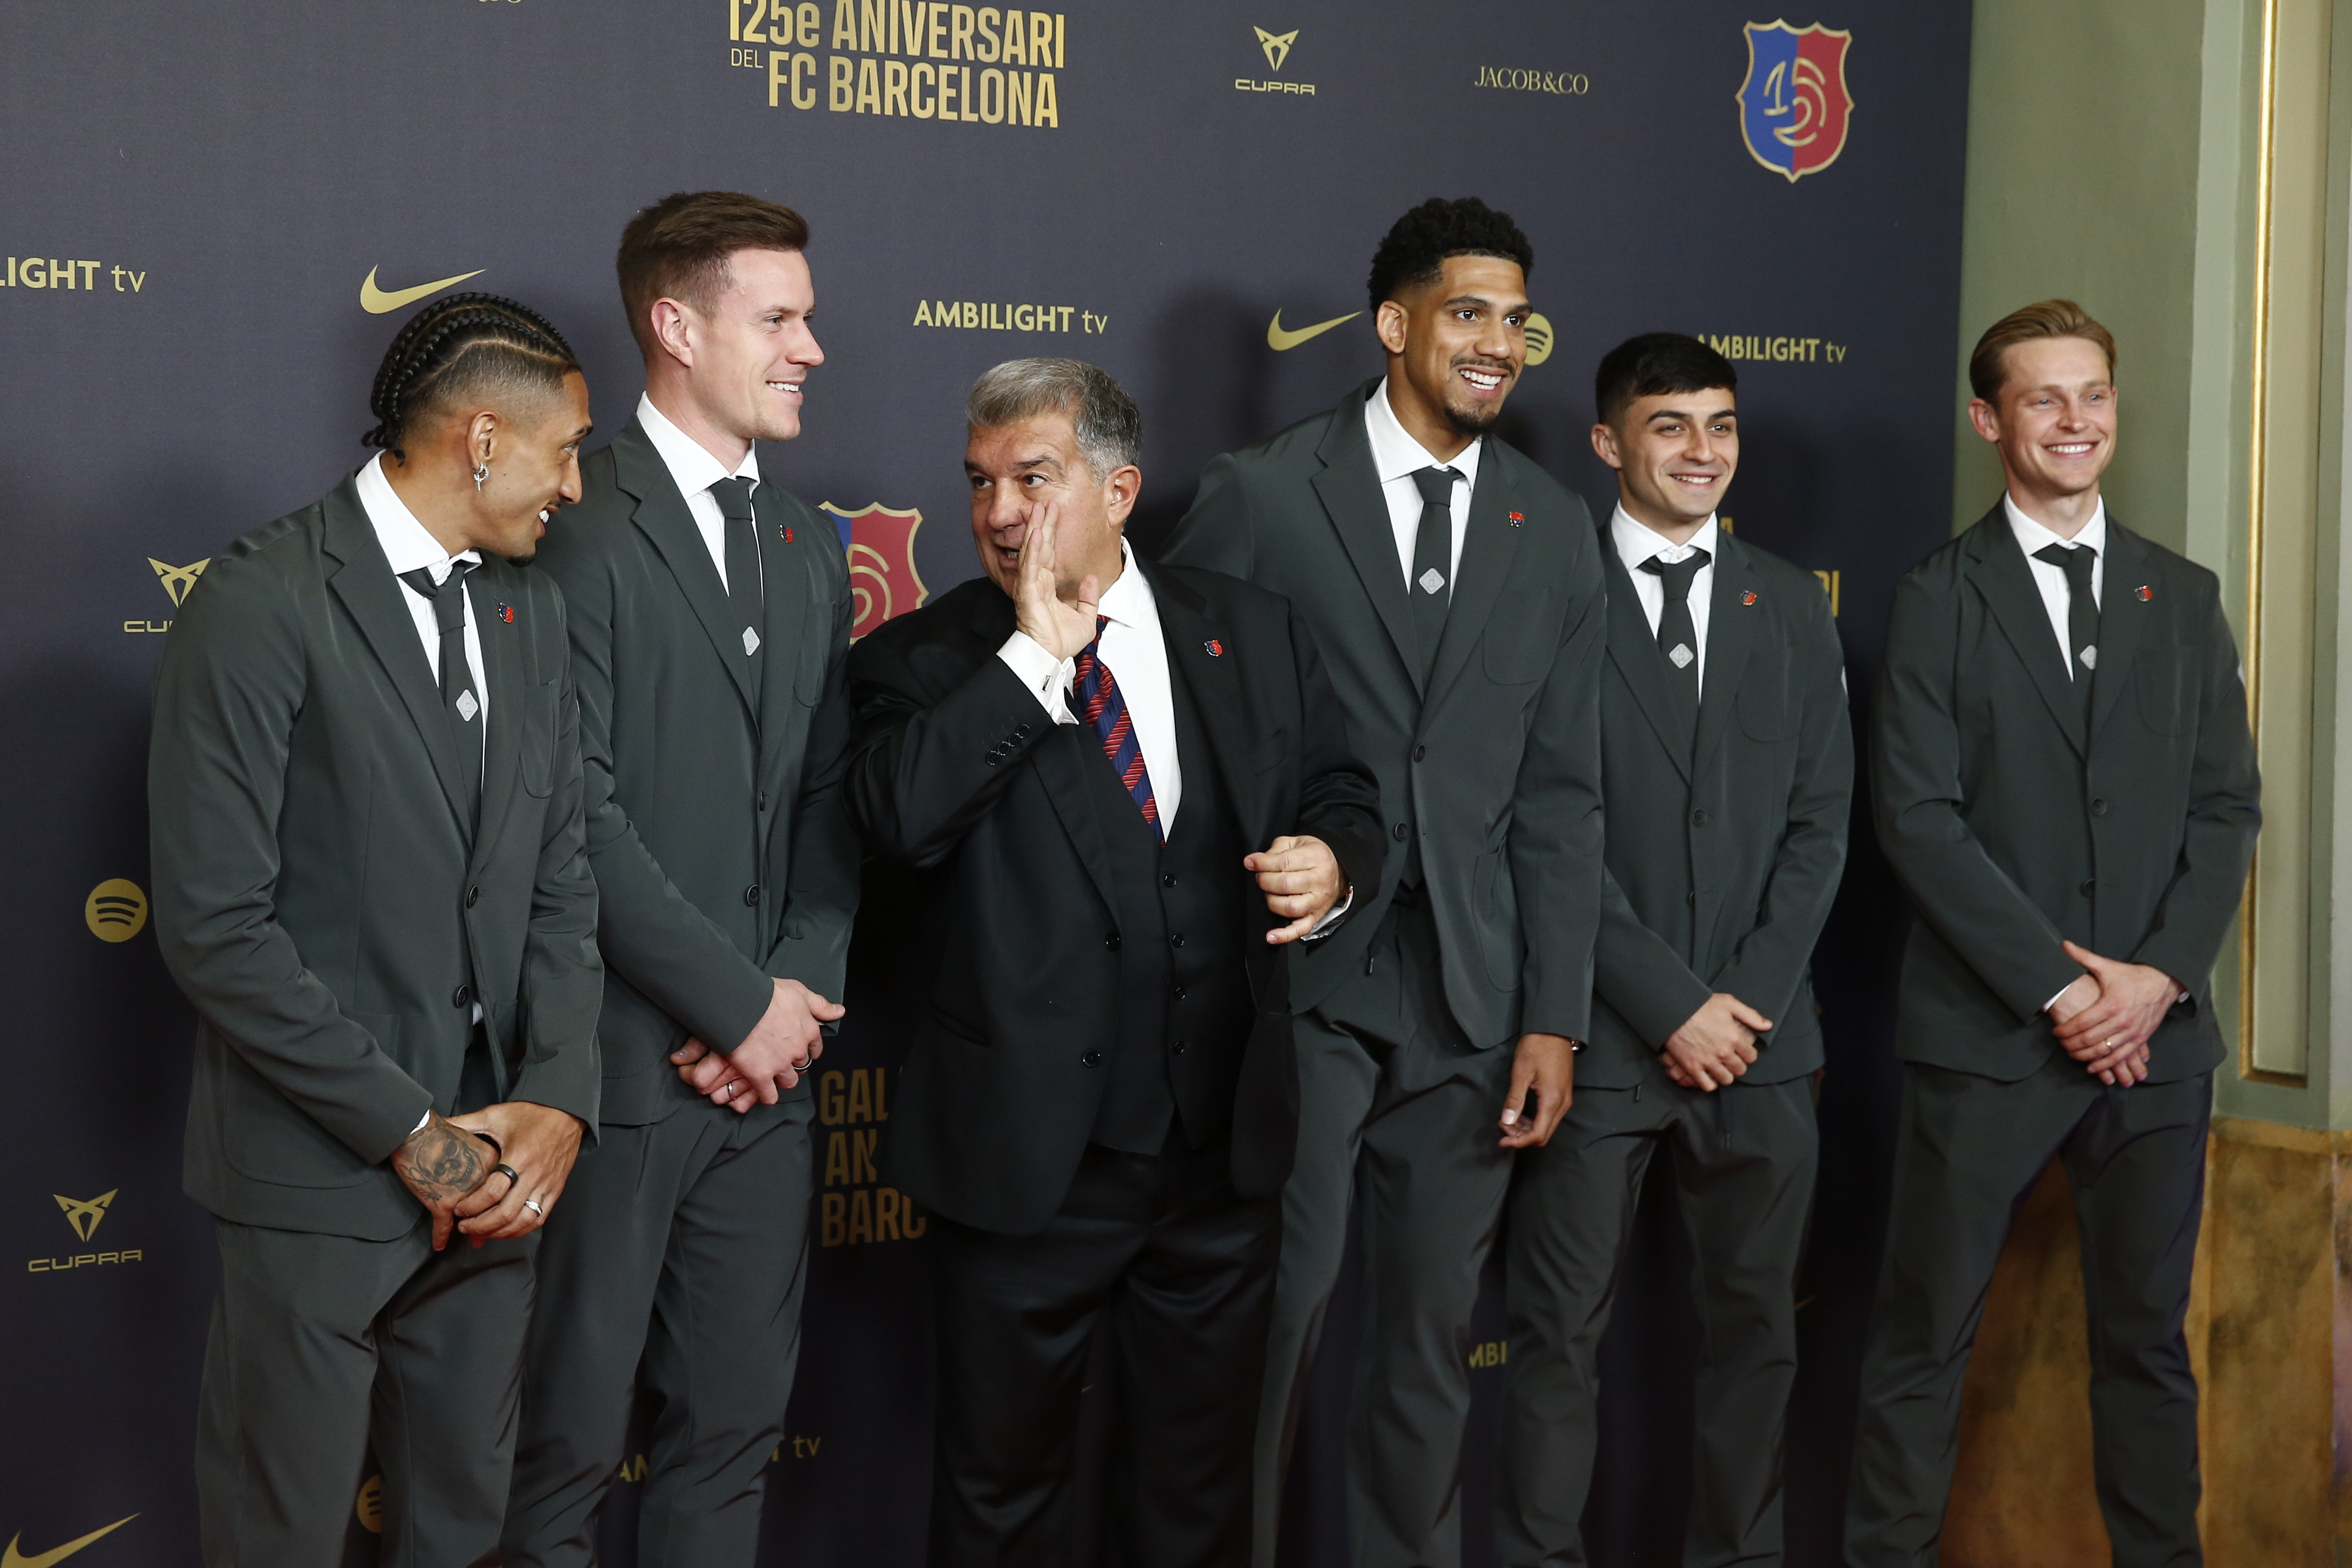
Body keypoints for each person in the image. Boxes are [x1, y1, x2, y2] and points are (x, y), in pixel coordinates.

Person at [843, 359, 1383, 1566]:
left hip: (1218, 1167)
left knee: (1194, 1505)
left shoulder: (1249, 631)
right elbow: (893, 822)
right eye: (979, 483)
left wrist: (1333, 865)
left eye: (1032, 479)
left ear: (1121, 488)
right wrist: (1032, 658)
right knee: (999, 1505)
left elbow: (1345, 790)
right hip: (1026, 1170)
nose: (996, 513)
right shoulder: (920, 664)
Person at [1161, 195, 1606, 1568]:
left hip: (1472, 1006)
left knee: (1424, 1357)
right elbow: (1173, 715)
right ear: (1397, 324)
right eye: (1465, 313)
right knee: (1267, 1329)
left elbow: (1561, 793)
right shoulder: (1263, 491)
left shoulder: (1550, 524)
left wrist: (1554, 1013)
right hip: (1298, 984)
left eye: (1514, 319)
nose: (1494, 343)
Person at [150, 292, 603, 1567]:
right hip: (318, 1183)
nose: (574, 484)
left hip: (499, 1186)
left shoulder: (534, 616)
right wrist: (413, 1138)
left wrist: (559, 1097)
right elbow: (216, 928)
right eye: (563, 450)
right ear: (478, 440)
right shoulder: (259, 602)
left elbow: (562, 883)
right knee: (279, 1539)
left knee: (462, 1536)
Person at [1846, 300, 2260, 1567]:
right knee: (1923, 1341)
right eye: (2044, 399)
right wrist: (2062, 993)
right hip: (1988, 1041)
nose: (2075, 423)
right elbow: (1916, 821)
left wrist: (2152, 983)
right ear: (1990, 420)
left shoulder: (2179, 597)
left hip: (2158, 1045)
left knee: (2145, 1348)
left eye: (2093, 397)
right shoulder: (1933, 596)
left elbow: (2224, 804)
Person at [500, 192, 862, 1567]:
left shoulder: (807, 543)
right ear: (674, 324)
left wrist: (799, 993)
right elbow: (568, 813)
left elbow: (834, 800)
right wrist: (729, 1000)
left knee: (731, 1440)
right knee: (565, 1450)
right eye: (779, 319)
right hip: (619, 1076)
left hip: (767, 1084)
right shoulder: (577, 522)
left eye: (806, 318)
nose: (811, 349)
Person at [1493, 333, 1852, 1567]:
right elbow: (1539, 834)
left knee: (1760, 1339)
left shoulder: (1794, 608)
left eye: (1721, 426)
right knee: (1554, 1340)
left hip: (1763, 1043)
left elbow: (1820, 827)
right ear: (1607, 443)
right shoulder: (1546, 598)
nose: (1702, 452)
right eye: (1669, 426)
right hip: (1596, 1041)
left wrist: (1743, 998)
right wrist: (1667, 1004)